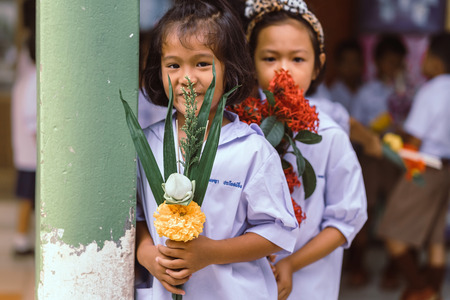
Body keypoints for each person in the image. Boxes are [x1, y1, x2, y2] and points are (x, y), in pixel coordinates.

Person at [135, 1, 299, 299]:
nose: (187, 78)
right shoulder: (147, 144)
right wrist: (147, 253)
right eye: (173, 65)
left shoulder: (251, 151)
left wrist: (211, 252)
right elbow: (136, 217)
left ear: (230, 69)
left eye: (202, 63)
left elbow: (278, 231)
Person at [245, 1, 368, 299]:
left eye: (298, 59)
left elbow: (345, 220)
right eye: (270, 58)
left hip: (310, 284)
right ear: (250, 61)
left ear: (318, 64)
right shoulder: (239, 131)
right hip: (247, 282)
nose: (284, 70)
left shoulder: (328, 137)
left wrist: (290, 265)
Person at [377, 32, 450, 300]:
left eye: (426, 54)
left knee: (391, 229)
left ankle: (420, 289)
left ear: (436, 60)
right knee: (435, 239)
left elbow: (414, 140)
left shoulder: (431, 91)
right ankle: (435, 292)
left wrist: (396, 145)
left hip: (425, 168)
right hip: (446, 170)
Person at [348, 34, 411, 287]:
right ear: (376, 62)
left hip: (396, 160)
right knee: (367, 212)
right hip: (371, 160)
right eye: (388, 62)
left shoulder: (406, 92)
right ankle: (358, 266)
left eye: (398, 63)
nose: (392, 67)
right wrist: (373, 129)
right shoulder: (366, 92)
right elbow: (353, 127)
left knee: (396, 216)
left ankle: (392, 270)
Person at [329, 38, 364, 114]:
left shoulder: (366, 90)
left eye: (354, 62)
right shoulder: (331, 95)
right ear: (337, 65)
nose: (351, 67)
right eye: (347, 62)